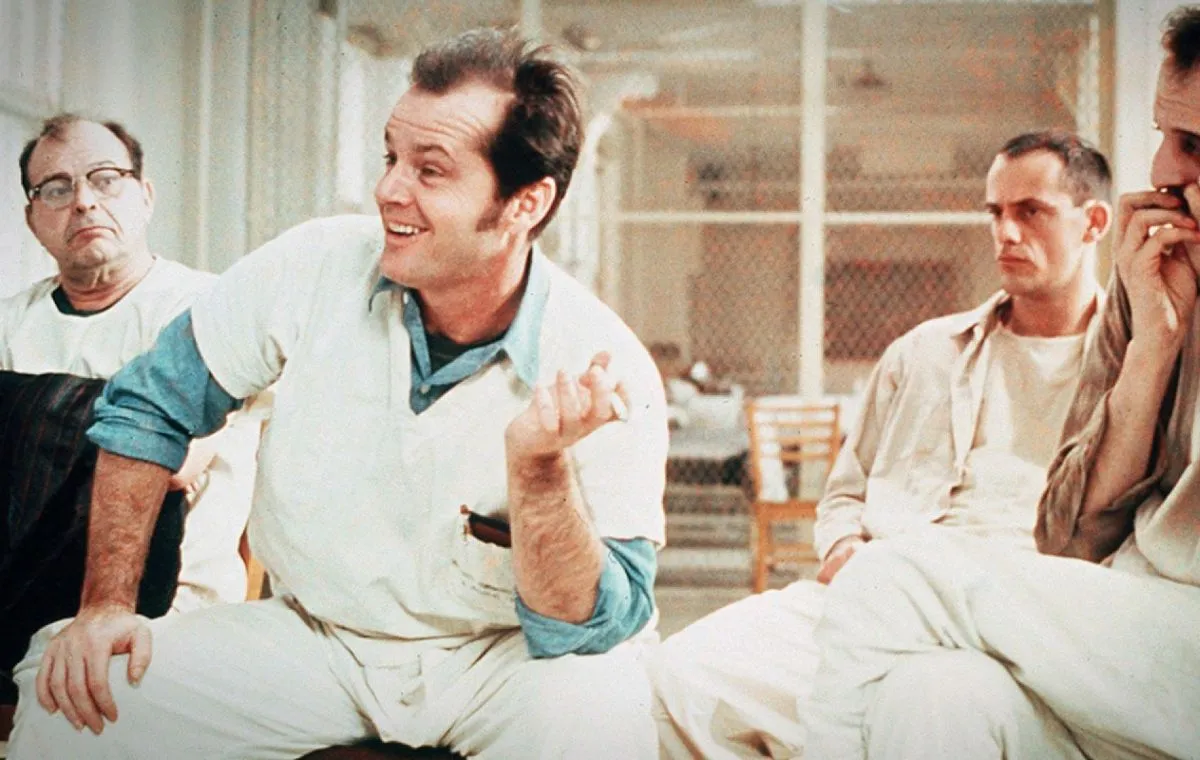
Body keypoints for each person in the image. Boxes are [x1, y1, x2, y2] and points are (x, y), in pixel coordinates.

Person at [8, 28, 668, 760]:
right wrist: (105, 606)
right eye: (391, 158)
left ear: (525, 203)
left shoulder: (603, 365)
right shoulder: (313, 264)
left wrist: (540, 474)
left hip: (505, 661)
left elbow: (586, 627)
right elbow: (149, 405)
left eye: (430, 170)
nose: (389, 190)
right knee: (69, 696)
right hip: (313, 640)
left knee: (598, 724)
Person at [802, 9, 1200, 760]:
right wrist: (1156, 345)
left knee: (892, 580)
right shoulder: (1152, 286)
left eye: (1195, 145)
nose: (1162, 172)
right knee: (931, 696)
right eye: (1163, 135)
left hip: (1173, 643)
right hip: (1117, 610)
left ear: (1089, 223)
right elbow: (1076, 535)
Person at [651, 129, 1114, 759]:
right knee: (681, 676)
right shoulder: (923, 353)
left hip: (1014, 618)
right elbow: (846, 491)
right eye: (996, 212)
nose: (1006, 233)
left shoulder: (1134, 369)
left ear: (1093, 223)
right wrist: (844, 545)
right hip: (874, 596)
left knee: (930, 708)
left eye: (1031, 211)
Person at [0, 115, 262, 701]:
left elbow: (173, 463)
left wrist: (27, 417)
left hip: (168, 613)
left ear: (144, 196)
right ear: (32, 218)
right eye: (57, 188)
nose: (84, 202)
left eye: (105, 179)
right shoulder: (9, 323)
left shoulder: (209, 306)